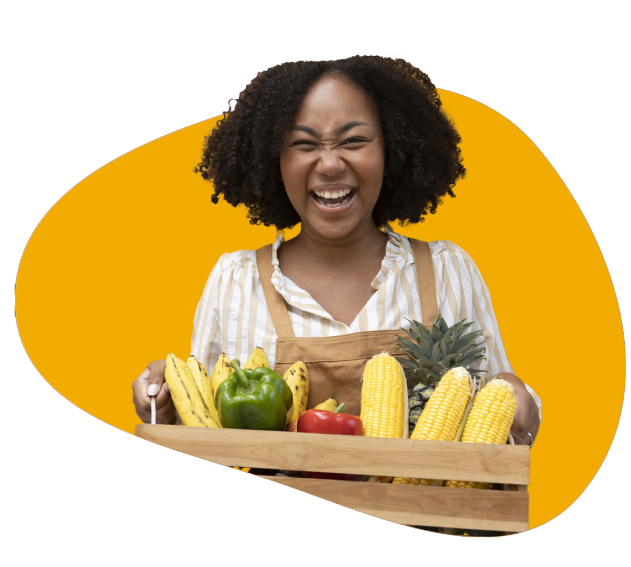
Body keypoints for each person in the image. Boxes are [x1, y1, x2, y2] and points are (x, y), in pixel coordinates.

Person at [132, 54, 541, 445]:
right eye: (304, 144)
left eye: (354, 140)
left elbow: (507, 422)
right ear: (275, 160)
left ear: (392, 150)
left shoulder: (448, 270)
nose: (329, 165)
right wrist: (163, 406)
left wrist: (519, 404)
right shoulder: (234, 282)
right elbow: (204, 425)